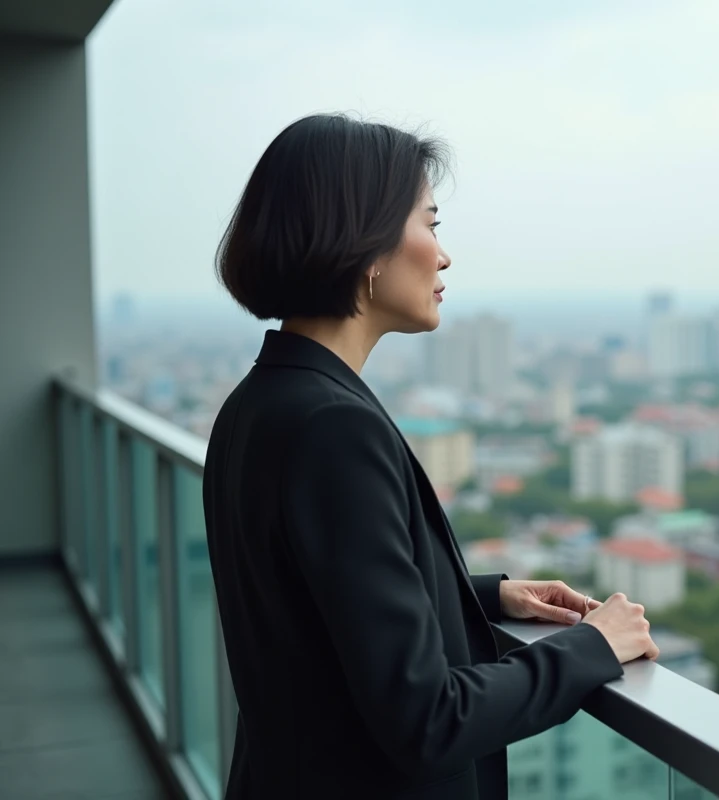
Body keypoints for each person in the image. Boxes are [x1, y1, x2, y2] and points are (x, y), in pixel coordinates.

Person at [202, 113, 659, 800]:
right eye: (431, 224)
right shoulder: (333, 427)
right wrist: (594, 646)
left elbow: (314, 601)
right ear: (366, 244)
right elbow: (428, 721)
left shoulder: (258, 403)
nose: (443, 256)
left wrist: (482, 597)